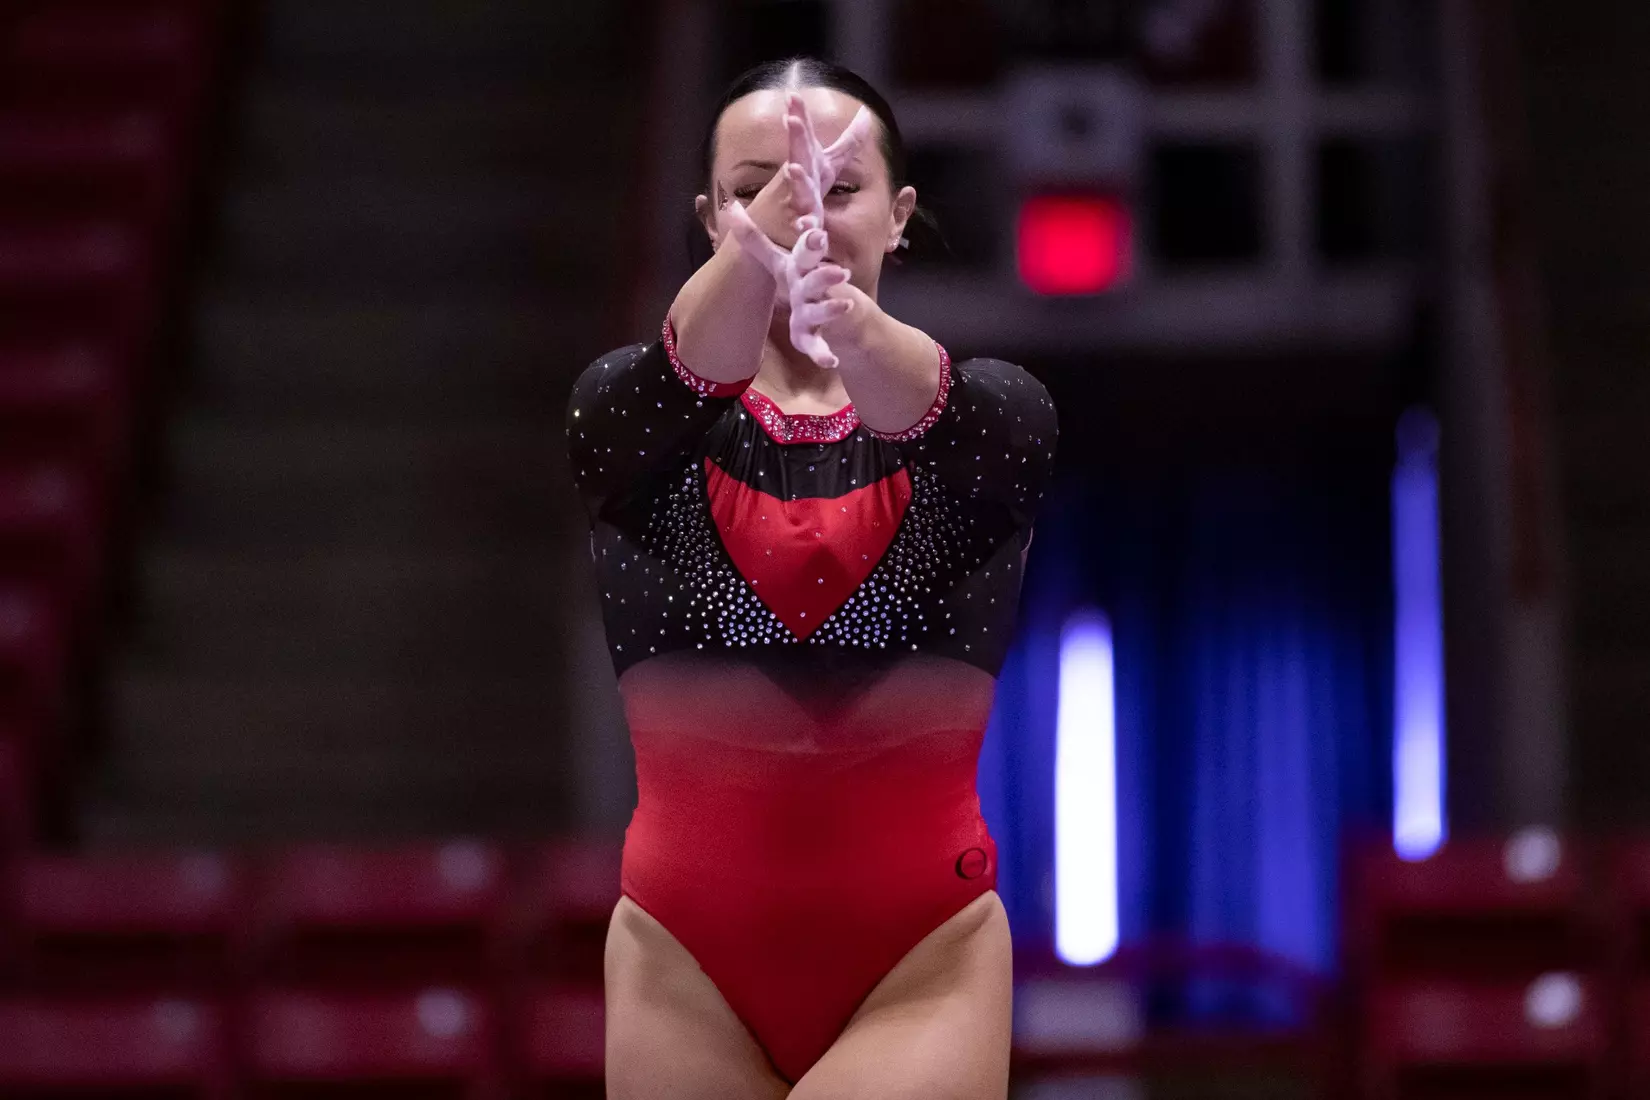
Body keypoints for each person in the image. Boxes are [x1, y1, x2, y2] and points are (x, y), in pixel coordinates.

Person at [566, 55, 1057, 1099]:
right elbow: (660, 389)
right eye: (761, 191)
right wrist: (756, 268)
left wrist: (852, 325)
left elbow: (943, 415)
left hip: (921, 957)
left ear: (900, 214)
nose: (802, 217)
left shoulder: (998, 423)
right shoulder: (629, 424)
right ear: (710, 218)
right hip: (681, 960)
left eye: (837, 189)